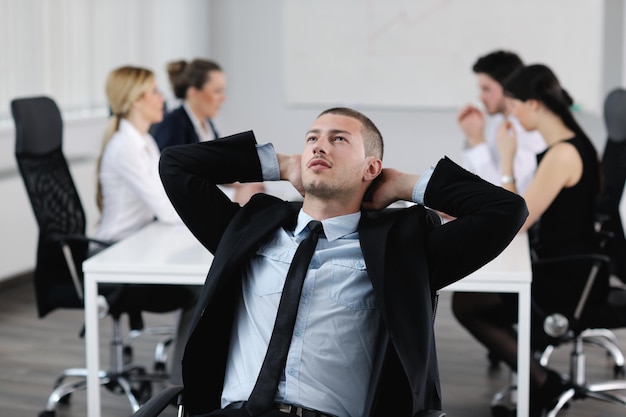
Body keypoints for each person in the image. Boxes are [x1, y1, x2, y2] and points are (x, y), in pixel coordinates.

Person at [158, 107, 528, 417]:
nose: (320, 145)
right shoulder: (247, 229)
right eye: (312, 138)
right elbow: (177, 165)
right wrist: (283, 165)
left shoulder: (403, 250)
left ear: (371, 168)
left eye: (339, 139)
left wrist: (402, 185)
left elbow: (506, 211)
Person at [452, 64, 603, 416]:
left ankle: (544, 384)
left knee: (467, 304)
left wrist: (506, 160)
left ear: (533, 104)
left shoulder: (563, 154)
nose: (514, 115)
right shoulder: (569, 146)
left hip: (566, 278)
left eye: (516, 105)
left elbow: (517, 219)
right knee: (471, 301)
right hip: (564, 265)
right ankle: (541, 382)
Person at [95, 65, 200, 385]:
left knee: (203, 282)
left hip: (139, 242)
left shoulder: (144, 142)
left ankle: (185, 378)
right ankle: (181, 384)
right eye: (154, 92)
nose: (161, 99)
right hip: (116, 254)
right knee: (201, 287)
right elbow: (167, 209)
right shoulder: (125, 148)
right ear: (134, 101)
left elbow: (170, 196)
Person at [154, 58, 264, 205]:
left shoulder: (206, 124)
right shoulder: (173, 125)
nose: (223, 98)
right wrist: (234, 194)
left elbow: (213, 168)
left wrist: (241, 185)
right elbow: (178, 183)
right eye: (217, 91)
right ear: (193, 92)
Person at [458, 50, 546, 194]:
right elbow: (472, 179)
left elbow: (502, 195)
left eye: (486, 89)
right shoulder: (499, 122)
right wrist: (471, 138)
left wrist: (477, 140)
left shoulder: (526, 131)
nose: (480, 97)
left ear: (508, 86)